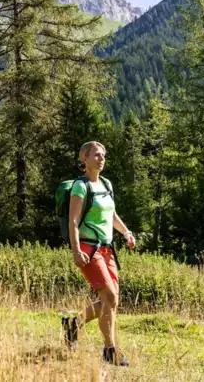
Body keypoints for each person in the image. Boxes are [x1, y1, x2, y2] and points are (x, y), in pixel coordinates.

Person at [63, 141, 135, 366]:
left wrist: (126, 232)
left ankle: (74, 324)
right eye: (96, 155)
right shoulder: (80, 186)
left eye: (103, 155)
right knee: (110, 297)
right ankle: (109, 350)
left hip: (107, 250)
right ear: (84, 158)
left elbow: (111, 214)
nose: (101, 159)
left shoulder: (106, 184)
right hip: (88, 248)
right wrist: (76, 251)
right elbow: (73, 222)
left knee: (111, 300)